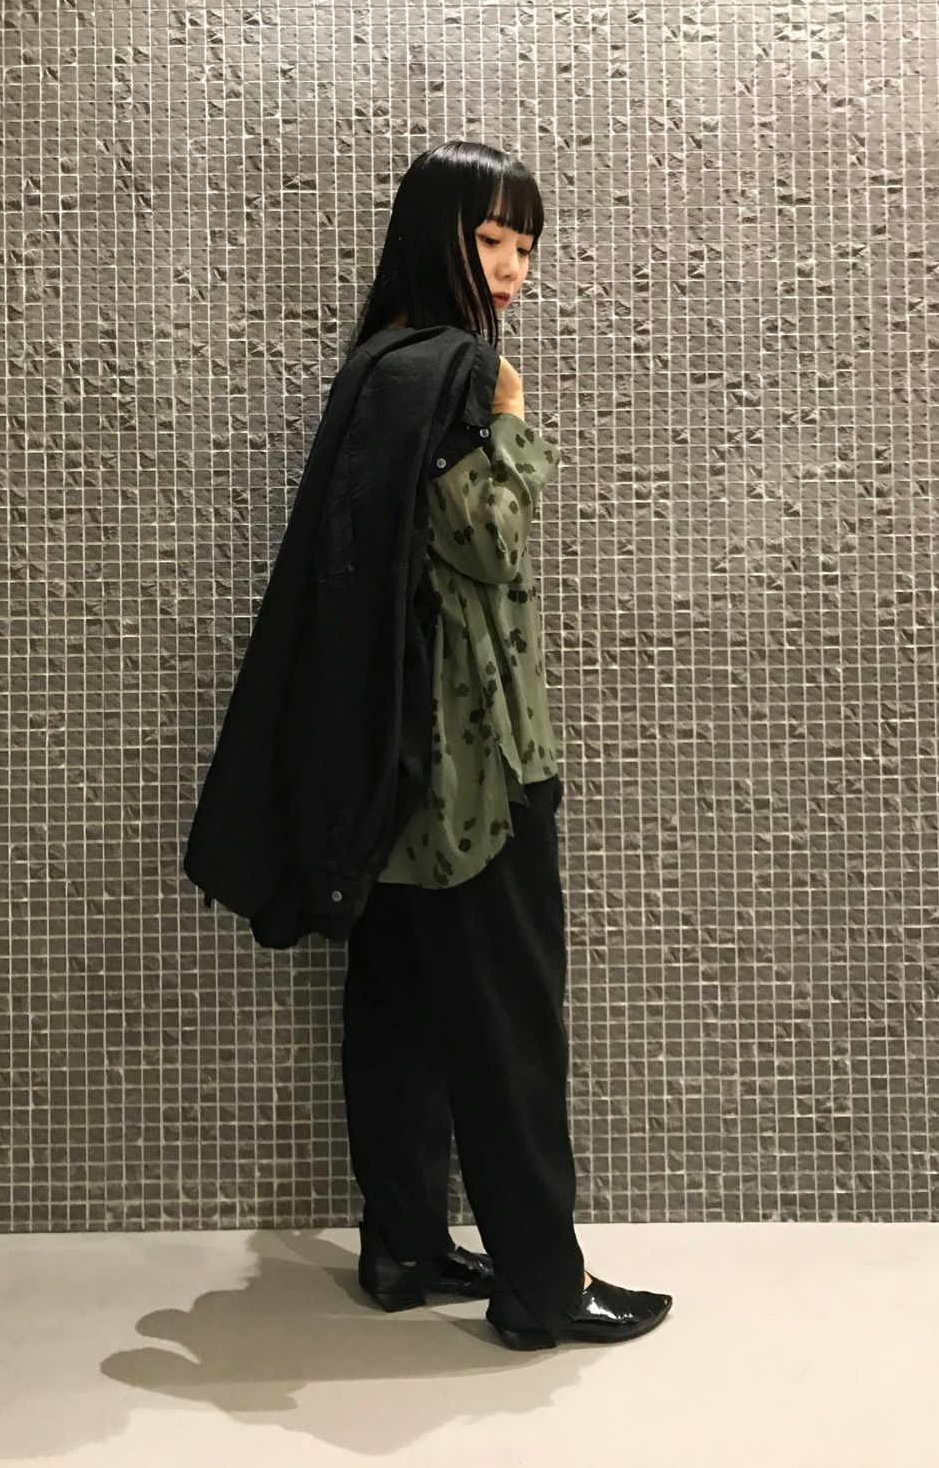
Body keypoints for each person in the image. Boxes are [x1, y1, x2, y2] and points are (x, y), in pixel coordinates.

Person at [339, 140, 674, 1350]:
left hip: (392, 755)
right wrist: (515, 419)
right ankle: (540, 1283)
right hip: (476, 758)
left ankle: (403, 1245)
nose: (510, 268)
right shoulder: (456, 371)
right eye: (487, 239)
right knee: (510, 1016)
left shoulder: (376, 365)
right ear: (433, 236)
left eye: (524, 246)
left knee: (399, 1002)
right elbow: (485, 542)